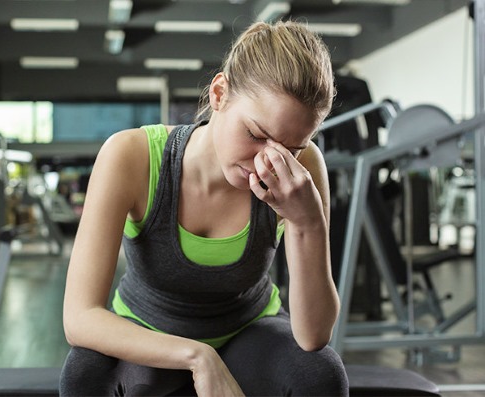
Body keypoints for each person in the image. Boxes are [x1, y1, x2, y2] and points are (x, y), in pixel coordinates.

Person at [60, 19, 349, 397]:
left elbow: (313, 336)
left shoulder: (303, 170)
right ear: (219, 93)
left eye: (291, 149)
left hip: (250, 331)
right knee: (85, 375)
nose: (268, 162)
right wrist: (198, 356)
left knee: (319, 373)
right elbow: (79, 318)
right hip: (147, 328)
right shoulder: (131, 156)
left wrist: (307, 221)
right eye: (256, 135)